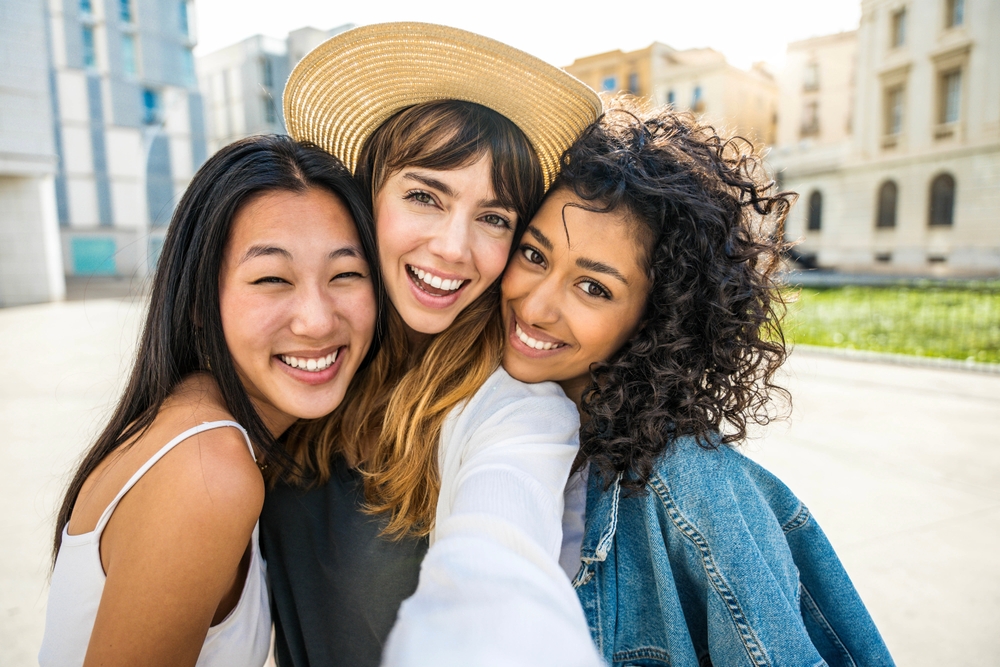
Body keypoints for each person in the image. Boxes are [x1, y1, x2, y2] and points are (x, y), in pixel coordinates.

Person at [498, 97, 896, 666]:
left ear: (657, 317)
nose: (535, 306)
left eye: (594, 288)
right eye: (535, 255)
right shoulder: (482, 414)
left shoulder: (689, 486)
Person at [258, 22, 604, 666]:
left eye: (494, 218)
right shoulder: (304, 355)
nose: (452, 246)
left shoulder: (511, 409)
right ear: (367, 195)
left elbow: (500, 574)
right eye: (424, 195)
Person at [39, 135, 379, 667]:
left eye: (345, 275)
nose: (317, 319)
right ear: (199, 301)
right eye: (272, 278)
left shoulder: (194, 419)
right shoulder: (209, 471)